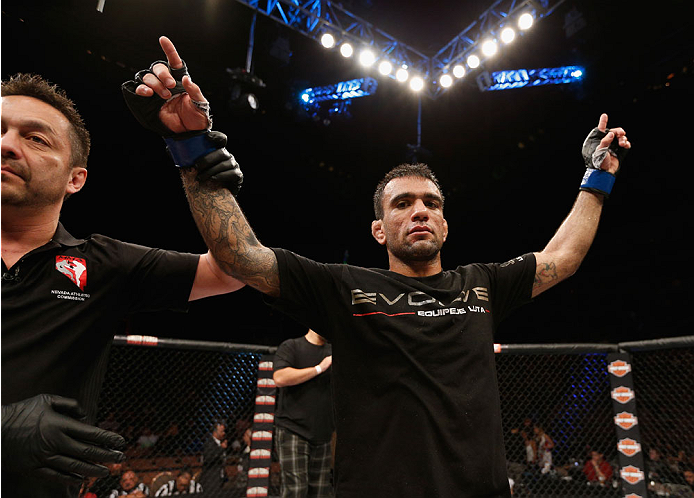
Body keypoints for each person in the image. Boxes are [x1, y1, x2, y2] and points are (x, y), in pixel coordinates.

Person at [129, 36, 631, 498]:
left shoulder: (482, 285)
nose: (419, 211)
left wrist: (597, 179)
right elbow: (240, 257)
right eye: (403, 204)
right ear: (378, 230)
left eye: (431, 204)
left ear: (445, 225)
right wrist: (192, 152)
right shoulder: (344, 289)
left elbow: (562, 258)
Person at [1, 72, 245, 498]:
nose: (6, 144)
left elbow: (235, 269)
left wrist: (193, 153)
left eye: (36, 139)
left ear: (75, 179)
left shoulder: (101, 264)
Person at [273, 329, 335, 498]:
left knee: (321, 492)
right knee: (296, 491)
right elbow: (280, 378)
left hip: (322, 434)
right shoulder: (292, 346)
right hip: (294, 430)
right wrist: (318, 369)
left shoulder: (333, 352)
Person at [199, 421, 228, 497]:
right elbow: (209, 458)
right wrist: (221, 448)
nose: (224, 433)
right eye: (221, 431)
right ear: (215, 432)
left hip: (220, 478)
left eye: (224, 431)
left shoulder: (221, 443)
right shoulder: (209, 443)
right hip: (211, 479)